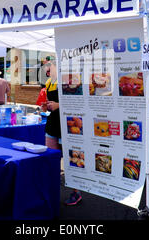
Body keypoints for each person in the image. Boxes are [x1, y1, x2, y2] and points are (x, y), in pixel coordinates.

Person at [41, 56, 82, 206]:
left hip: (68, 124)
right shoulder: (48, 82)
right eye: (45, 66)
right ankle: (52, 189)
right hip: (52, 124)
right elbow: (51, 103)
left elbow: (77, 102)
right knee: (51, 159)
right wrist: (46, 106)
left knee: (72, 160)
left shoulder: (67, 80)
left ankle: (76, 192)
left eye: (48, 66)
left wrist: (58, 105)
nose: (45, 69)